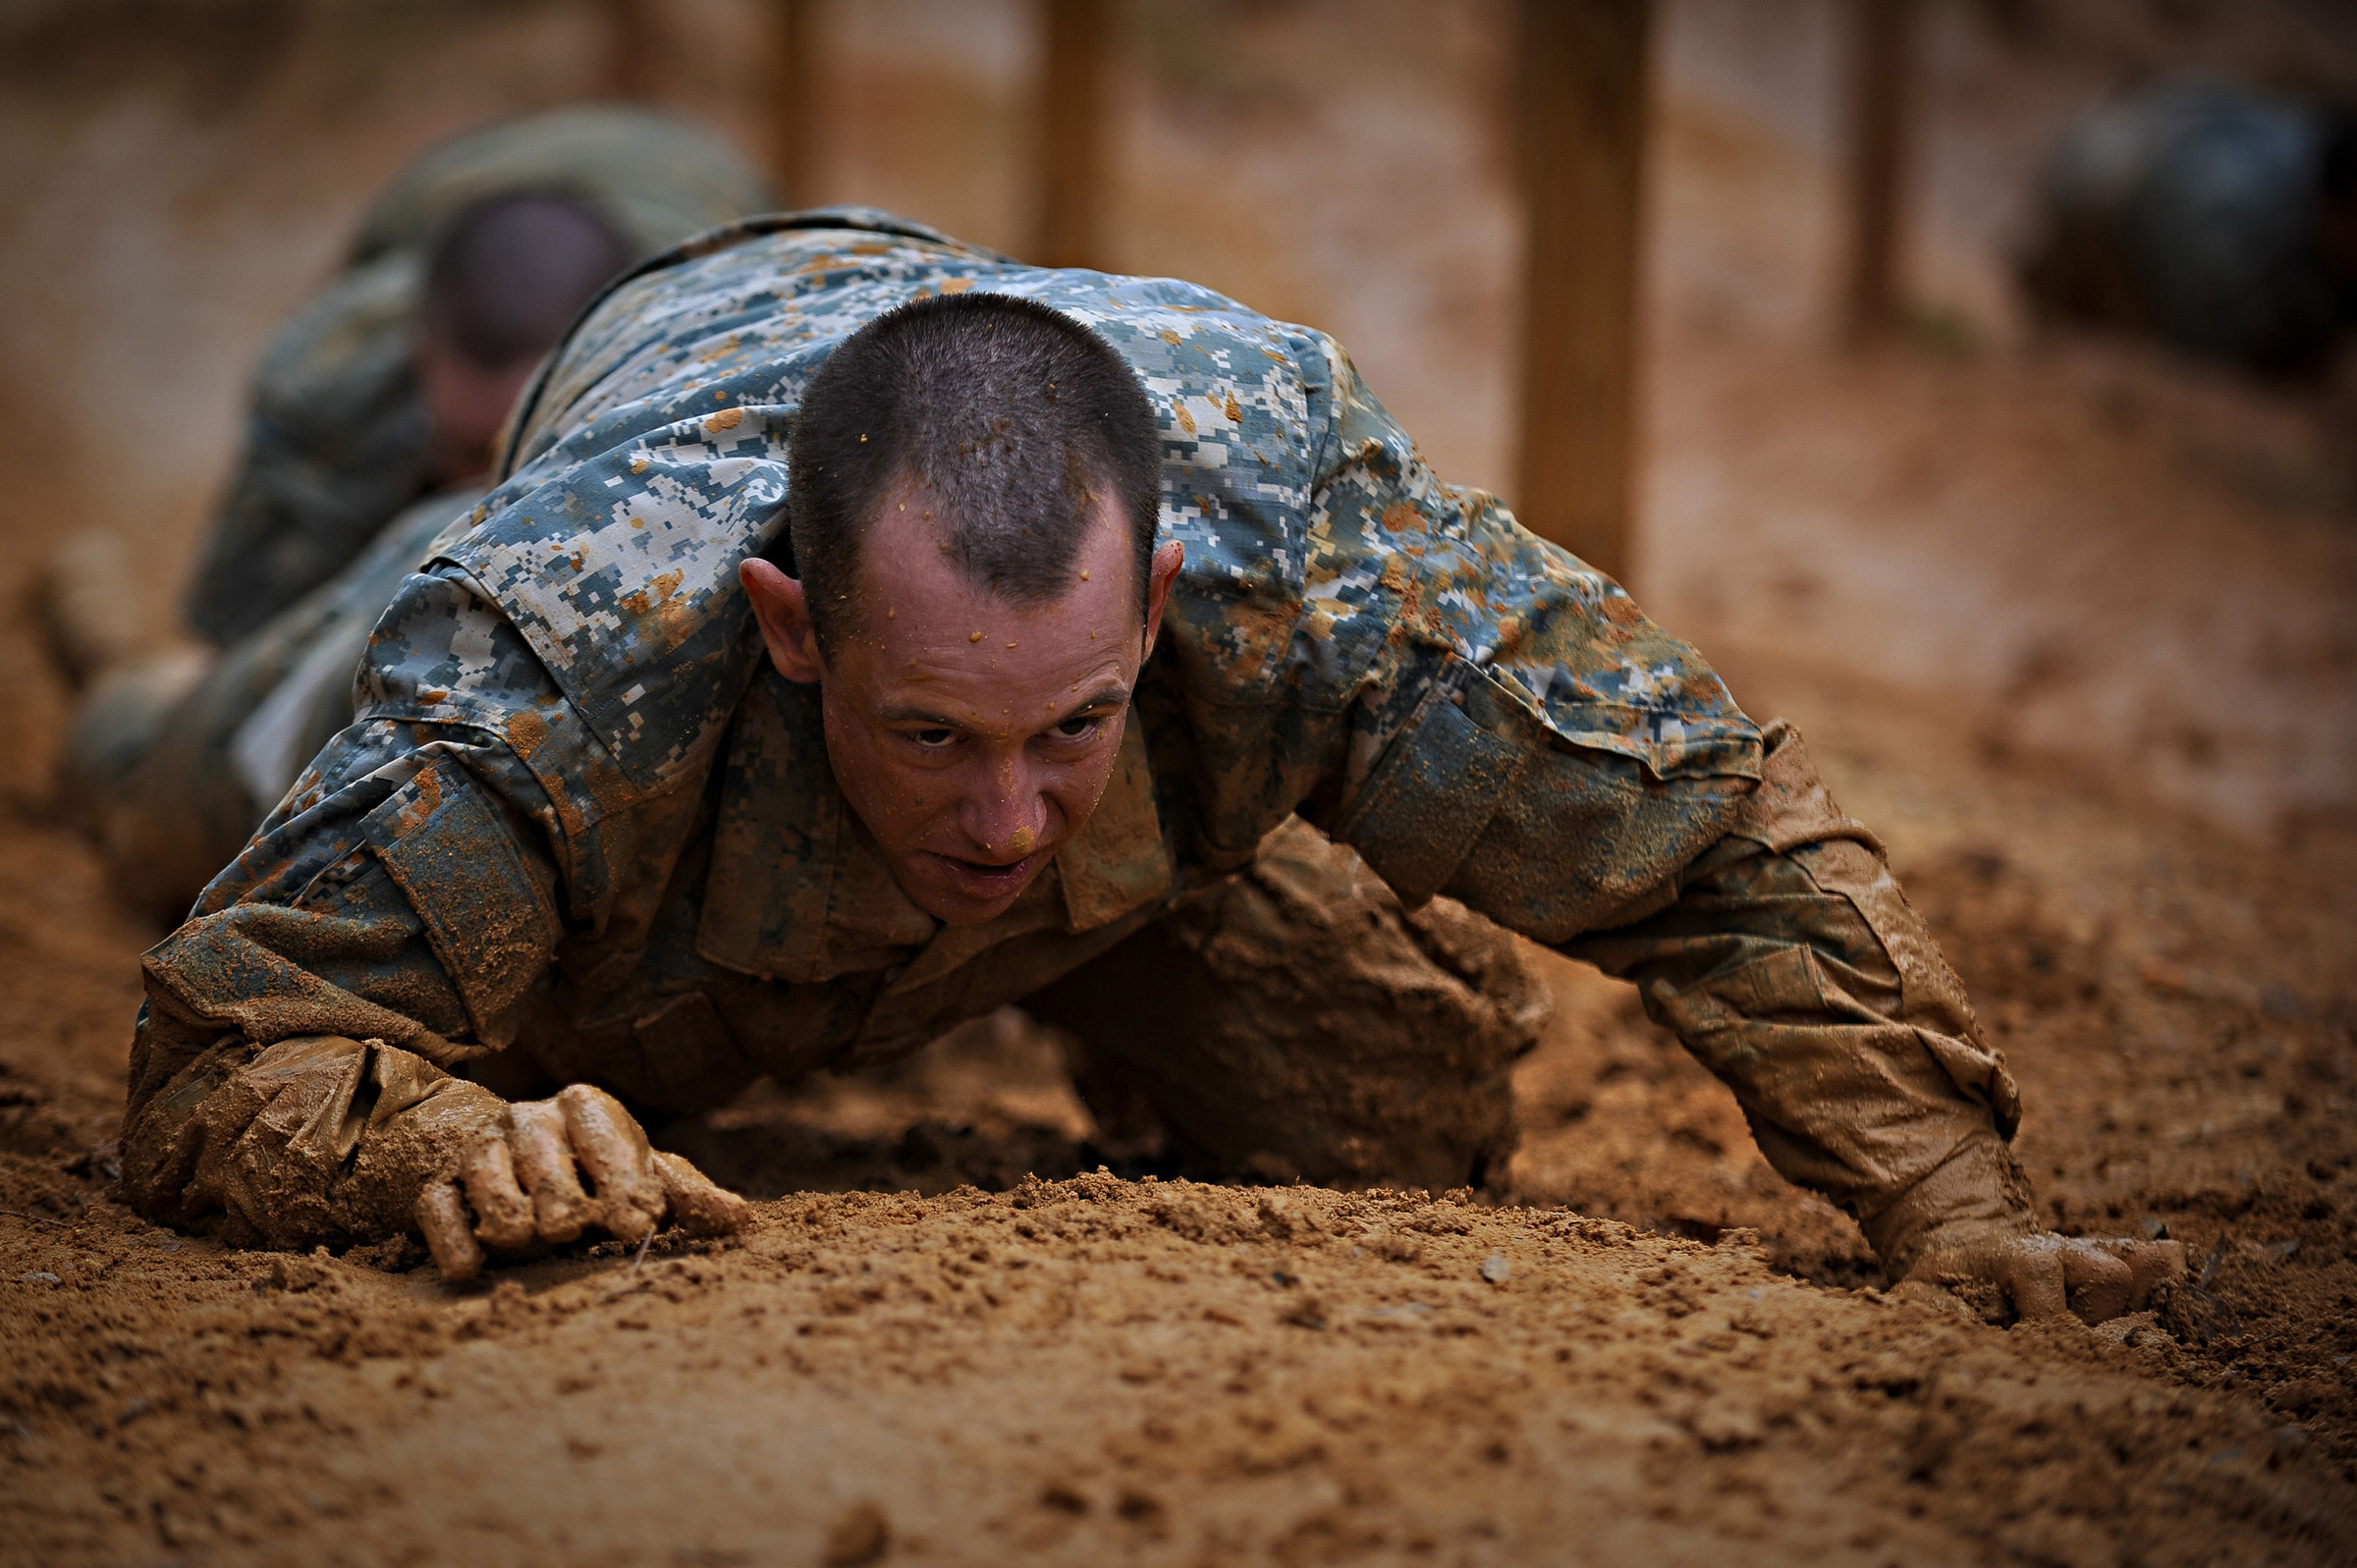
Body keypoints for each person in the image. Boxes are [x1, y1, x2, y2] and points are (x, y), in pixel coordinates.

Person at [119, 209, 2181, 1322]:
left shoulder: (1314, 549)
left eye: (1073, 725)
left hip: (995, 463)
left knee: (1393, 1087)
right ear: (796, 629)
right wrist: (422, 1140)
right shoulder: (567, 660)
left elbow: (1710, 829)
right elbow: (228, 1045)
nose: (1013, 815)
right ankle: (117, 673)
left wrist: (1950, 1198)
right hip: (638, 464)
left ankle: (1034, 846)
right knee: (199, 770)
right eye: (932, 730)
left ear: (1168, 602)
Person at [60, 107, 774, 919]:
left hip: (704, 192)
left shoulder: (708, 398)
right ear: (422, 351)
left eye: (518, 454)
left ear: (597, 387)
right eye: (466, 449)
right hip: (445, 193)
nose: (482, 494)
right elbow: (239, 647)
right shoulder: (331, 386)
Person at [2023, 74, 2357, 375]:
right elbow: (2201, 377)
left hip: (2175, 118)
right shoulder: (2226, 252)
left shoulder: (2316, 145)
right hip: (2120, 168)